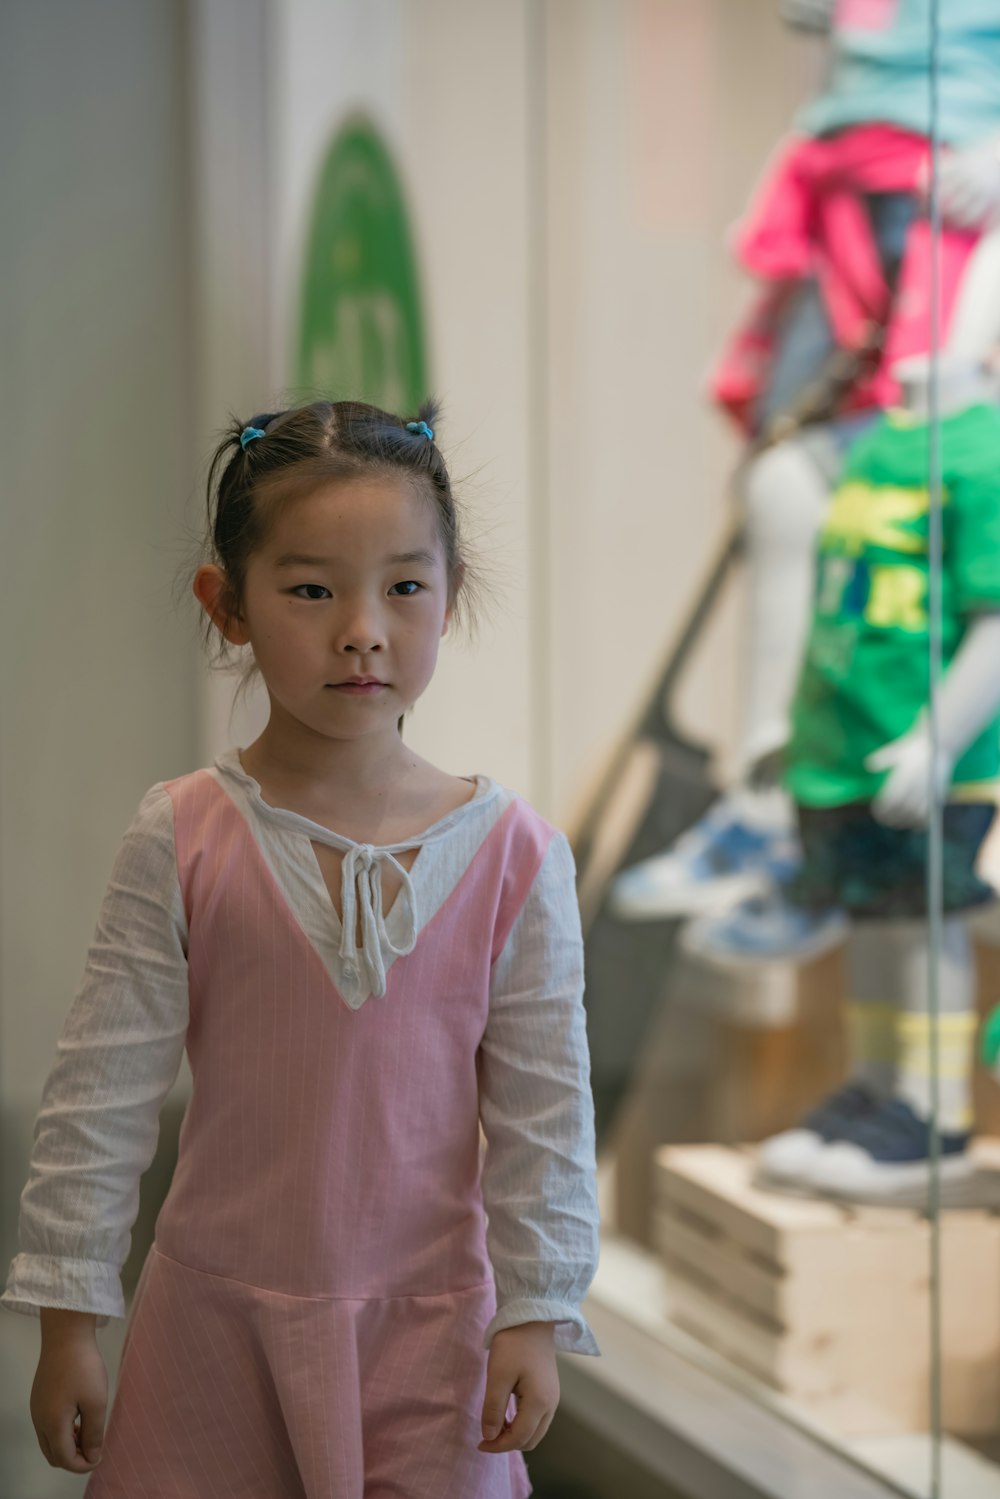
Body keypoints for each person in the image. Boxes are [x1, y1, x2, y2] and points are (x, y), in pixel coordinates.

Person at [2, 399, 602, 1498]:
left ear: (450, 598)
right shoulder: (181, 832)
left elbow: (543, 1110)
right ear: (225, 605)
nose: (362, 627)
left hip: (438, 1340)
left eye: (404, 586)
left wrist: (536, 1306)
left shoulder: (517, 853)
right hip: (212, 1327)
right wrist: (71, 1315)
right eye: (311, 588)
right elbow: (100, 1093)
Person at [612, 0, 1000, 934]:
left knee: (939, 548)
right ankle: (778, 813)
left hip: (962, 218)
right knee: (792, 492)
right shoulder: (849, 133)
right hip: (878, 202)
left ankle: (815, 828)